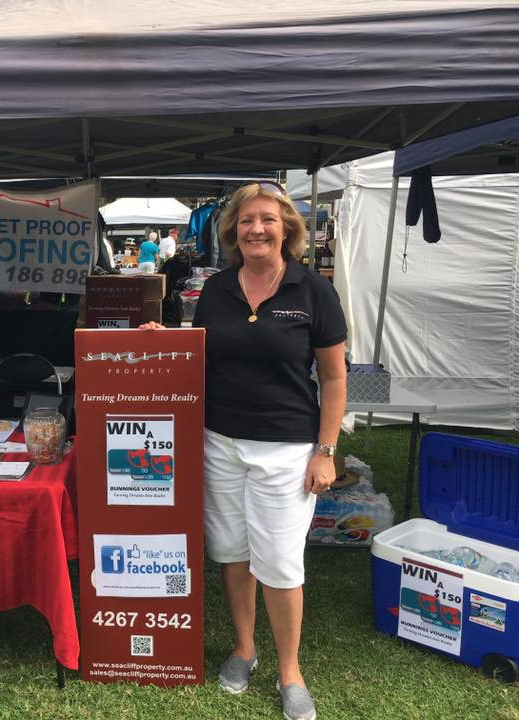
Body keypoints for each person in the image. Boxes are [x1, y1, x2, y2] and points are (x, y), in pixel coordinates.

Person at [141, 181, 346, 720]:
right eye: (247, 220)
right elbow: (203, 354)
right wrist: (167, 340)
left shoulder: (312, 290)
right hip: (220, 442)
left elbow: (334, 377)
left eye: (269, 220)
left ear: (287, 229)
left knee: (279, 562)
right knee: (233, 552)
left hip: (286, 448)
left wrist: (326, 449)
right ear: (232, 231)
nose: (257, 228)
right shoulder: (218, 289)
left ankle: (290, 671)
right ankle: (244, 648)